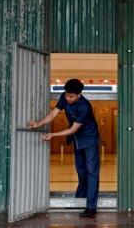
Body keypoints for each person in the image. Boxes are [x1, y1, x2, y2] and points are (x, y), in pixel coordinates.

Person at [27, 78, 101, 217]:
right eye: (66, 94)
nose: (68, 98)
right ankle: (79, 201)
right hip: (78, 139)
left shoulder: (85, 106)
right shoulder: (64, 97)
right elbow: (53, 114)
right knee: (81, 170)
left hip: (90, 139)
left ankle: (91, 207)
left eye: (71, 96)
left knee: (92, 172)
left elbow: (73, 129)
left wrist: (53, 135)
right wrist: (38, 123)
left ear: (79, 95)